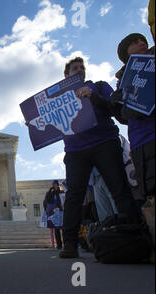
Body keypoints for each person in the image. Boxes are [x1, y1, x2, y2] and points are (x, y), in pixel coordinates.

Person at [58, 57, 142, 259]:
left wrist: (93, 97)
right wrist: (35, 123)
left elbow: (116, 110)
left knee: (119, 187)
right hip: (76, 149)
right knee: (74, 196)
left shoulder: (99, 87)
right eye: (75, 68)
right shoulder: (59, 99)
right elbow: (49, 124)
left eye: (82, 68)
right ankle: (69, 243)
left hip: (104, 143)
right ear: (66, 75)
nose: (80, 70)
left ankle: (133, 236)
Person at [111, 33, 155, 262]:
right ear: (125, 54)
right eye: (135, 43)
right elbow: (124, 118)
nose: (142, 43)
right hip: (142, 140)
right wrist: (117, 105)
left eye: (143, 41)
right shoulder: (123, 80)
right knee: (150, 192)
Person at [43, 180, 64, 249]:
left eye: (55, 184)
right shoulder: (50, 193)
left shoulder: (61, 192)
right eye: (53, 184)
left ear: (58, 185)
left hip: (60, 212)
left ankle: (66, 243)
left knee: (63, 229)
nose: (54, 185)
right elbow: (46, 202)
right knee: (56, 229)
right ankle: (59, 244)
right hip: (53, 213)